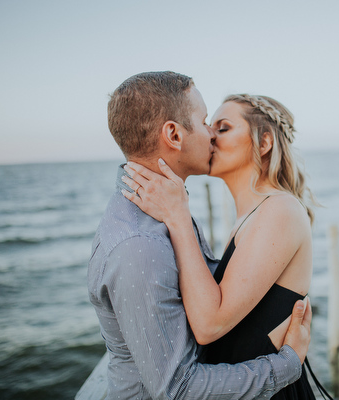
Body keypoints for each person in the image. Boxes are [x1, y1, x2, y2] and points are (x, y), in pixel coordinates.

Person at [87, 71, 312, 400]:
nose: (211, 135)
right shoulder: (141, 241)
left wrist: (178, 216)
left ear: (264, 143)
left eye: (222, 127)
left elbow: (209, 325)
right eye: (208, 123)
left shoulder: (277, 210)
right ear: (175, 135)